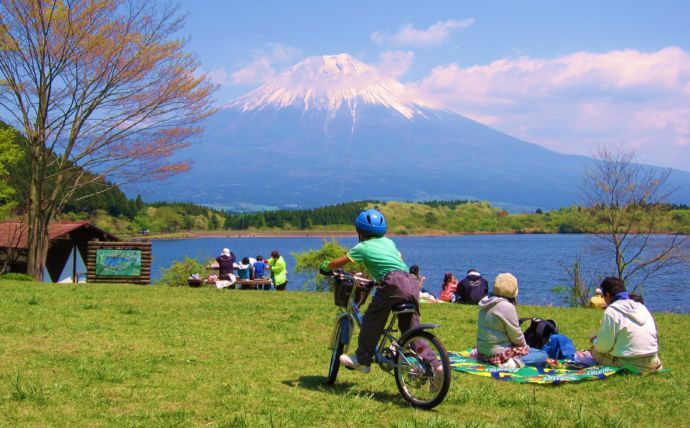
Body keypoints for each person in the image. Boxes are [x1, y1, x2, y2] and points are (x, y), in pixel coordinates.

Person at [321, 208, 428, 374]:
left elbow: (339, 262)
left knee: (372, 318)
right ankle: (434, 365)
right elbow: (397, 260)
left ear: (360, 232)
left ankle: (363, 360)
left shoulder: (362, 247)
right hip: (411, 282)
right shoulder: (389, 242)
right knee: (411, 327)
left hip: (393, 282)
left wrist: (326, 266)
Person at [587, 277, 663, 374]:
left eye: (603, 296)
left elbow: (604, 347)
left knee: (595, 351)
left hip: (630, 364)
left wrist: (594, 340)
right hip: (654, 361)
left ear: (608, 295)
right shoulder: (642, 307)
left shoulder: (612, 311)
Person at [475, 273, 548, 367]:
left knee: (535, 352)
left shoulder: (486, 301)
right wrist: (525, 348)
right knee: (542, 354)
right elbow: (516, 335)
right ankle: (513, 364)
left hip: (481, 353)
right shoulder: (507, 307)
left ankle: (512, 361)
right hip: (496, 355)